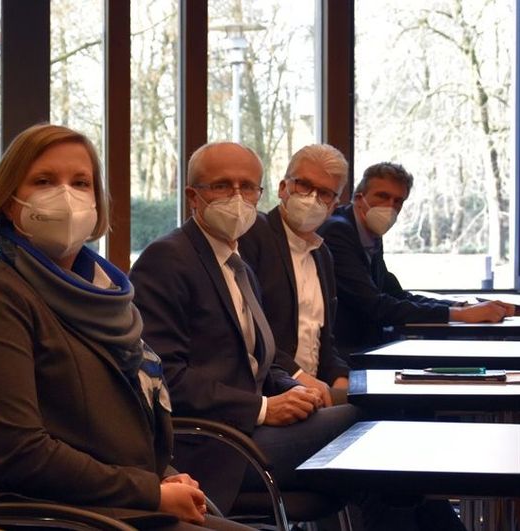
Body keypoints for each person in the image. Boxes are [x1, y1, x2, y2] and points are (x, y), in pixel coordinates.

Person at [0, 124, 250, 531]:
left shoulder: (101, 294)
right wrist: (150, 491)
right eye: (44, 181)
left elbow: (113, 421)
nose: (66, 196)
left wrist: (162, 475)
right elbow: (19, 456)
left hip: (123, 498)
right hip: (68, 514)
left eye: (81, 182)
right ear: (7, 201)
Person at [130, 142, 357, 515]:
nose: (237, 197)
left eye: (248, 187)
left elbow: (258, 362)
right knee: (361, 419)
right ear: (192, 196)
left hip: (247, 431)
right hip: (213, 446)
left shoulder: (237, 265)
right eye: (222, 186)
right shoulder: (167, 259)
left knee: (363, 454)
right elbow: (165, 377)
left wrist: (294, 389)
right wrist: (264, 408)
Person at [317, 162, 514, 353]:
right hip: (343, 354)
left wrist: (461, 306)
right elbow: (375, 305)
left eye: (398, 201)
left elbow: (396, 294)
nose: (390, 206)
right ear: (359, 198)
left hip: (367, 344)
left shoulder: (371, 234)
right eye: (382, 196)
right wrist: (460, 315)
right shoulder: (339, 231)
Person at [238, 144, 351, 405]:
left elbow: (323, 340)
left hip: (315, 395)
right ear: (282, 188)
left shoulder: (322, 254)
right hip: (270, 395)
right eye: (303, 185)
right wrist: (297, 376)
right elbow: (247, 330)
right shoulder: (253, 234)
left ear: (334, 205)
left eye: (324, 193)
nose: (311, 198)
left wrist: (340, 379)